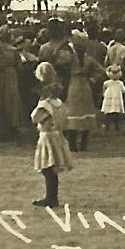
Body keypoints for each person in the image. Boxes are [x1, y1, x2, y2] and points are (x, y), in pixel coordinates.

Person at [31, 62, 73, 208]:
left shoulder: (45, 105)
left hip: (47, 136)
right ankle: (52, 196)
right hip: (57, 135)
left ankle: (51, 197)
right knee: (52, 168)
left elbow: (35, 118)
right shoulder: (59, 104)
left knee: (47, 168)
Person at [65, 32, 104, 151]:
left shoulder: (77, 58)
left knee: (78, 113)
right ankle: (78, 144)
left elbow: (101, 70)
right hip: (80, 84)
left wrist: (92, 78)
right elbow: (101, 70)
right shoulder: (75, 58)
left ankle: (77, 144)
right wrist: (92, 78)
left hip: (78, 84)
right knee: (78, 113)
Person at [0, 25, 22, 139]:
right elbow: (19, 65)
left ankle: (1, 126)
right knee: (12, 99)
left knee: (0, 98)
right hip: (11, 74)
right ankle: (13, 125)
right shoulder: (13, 50)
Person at [100, 65, 125, 131]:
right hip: (116, 99)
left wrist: (104, 94)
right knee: (116, 113)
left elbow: (103, 90)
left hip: (109, 99)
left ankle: (107, 126)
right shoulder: (120, 83)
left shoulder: (106, 83)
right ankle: (116, 126)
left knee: (108, 113)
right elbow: (123, 90)